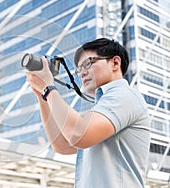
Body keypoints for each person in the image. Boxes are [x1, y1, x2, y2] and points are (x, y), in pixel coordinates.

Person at [25, 38, 150, 187]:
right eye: (79, 69)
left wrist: (48, 88)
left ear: (115, 63)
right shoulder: (102, 109)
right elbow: (61, 145)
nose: (82, 73)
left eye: (88, 64)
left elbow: (78, 135)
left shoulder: (124, 95)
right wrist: (42, 96)